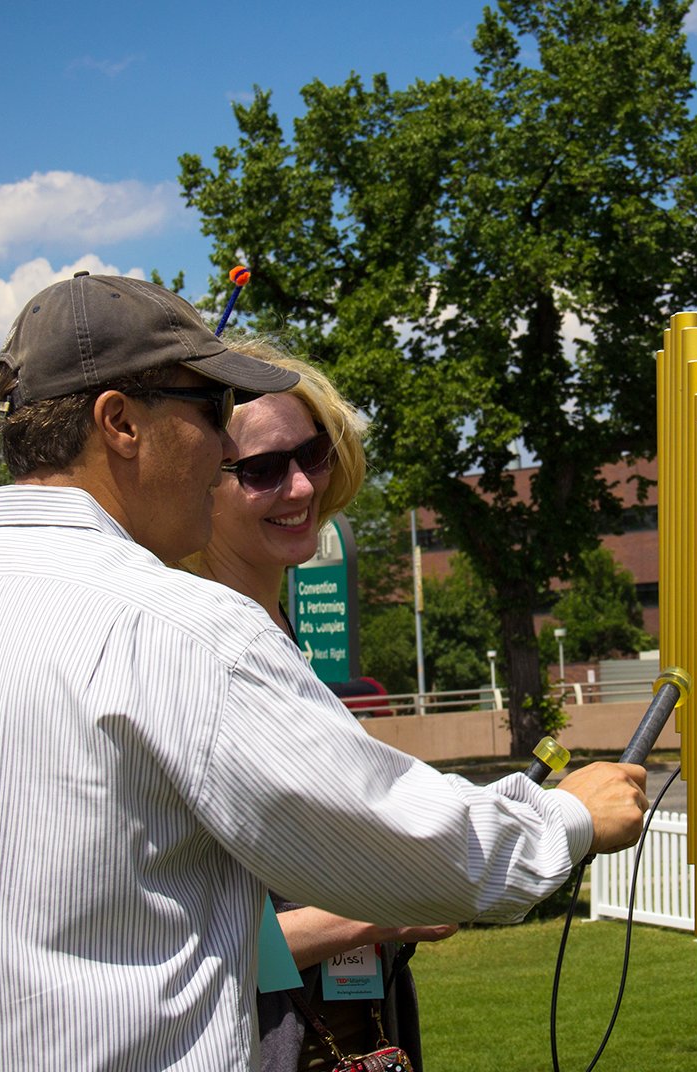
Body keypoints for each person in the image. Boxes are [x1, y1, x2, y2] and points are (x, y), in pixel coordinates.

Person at [0, 272, 648, 1071]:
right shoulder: (182, 631)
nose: (227, 448)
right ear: (120, 422)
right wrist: (570, 815)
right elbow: (417, 849)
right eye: (212, 411)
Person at [180, 345, 445, 1071]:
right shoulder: (193, 657)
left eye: (313, 453)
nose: (300, 486)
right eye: (263, 469)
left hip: (352, 1034)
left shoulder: (280, 640)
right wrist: (382, 910)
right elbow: (182, 941)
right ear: (197, 482)